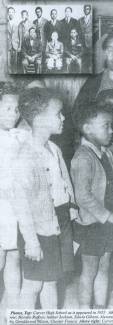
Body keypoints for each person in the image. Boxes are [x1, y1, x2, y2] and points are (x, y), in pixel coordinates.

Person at [17, 87, 77, 309]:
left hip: (58, 221)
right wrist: (31, 242)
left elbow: (64, 182)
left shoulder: (53, 148)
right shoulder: (25, 156)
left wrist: (71, 207)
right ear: (39, 119)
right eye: (58, 113)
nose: (63, 118)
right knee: (33, 284)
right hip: (37, 228)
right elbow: (22, 205)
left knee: (52, 280)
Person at [70, 102, 113, 309]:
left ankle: (101, 309)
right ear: (87, 129)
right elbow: (82, 196)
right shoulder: (82, 157)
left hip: (109, 221)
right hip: (92, 225)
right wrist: (108, 216)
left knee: (105, 267)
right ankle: (85, 313)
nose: (112, 130)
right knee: (90, 270)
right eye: (106, 125)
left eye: (112, 125)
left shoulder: (107, 153)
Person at [0, 82, 33, 310]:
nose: (13, 113)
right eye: (6, 108)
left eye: (17, 109)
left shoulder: (22, 136)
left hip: (16, 209)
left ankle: (11, 309)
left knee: (15, 257)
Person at [7, 7, 19, 73]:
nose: (11, 13)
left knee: (15, 64)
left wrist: (19, 46)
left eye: (12, 12)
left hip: (15, 46)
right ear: (8, 13)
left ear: (14, 13)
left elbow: (20, 36)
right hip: (8, 46)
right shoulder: (5, 23)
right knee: (8, 64)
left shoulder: (17, 23)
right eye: (9, 12)